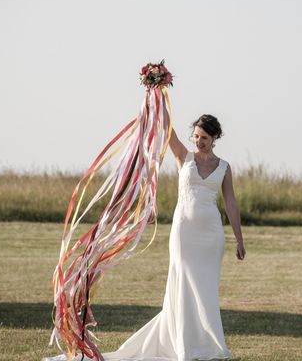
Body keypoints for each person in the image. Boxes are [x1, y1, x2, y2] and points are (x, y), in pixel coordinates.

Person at [100, 113, 246, 361]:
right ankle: (182, 344)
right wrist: (158, 89)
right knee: (182, 284)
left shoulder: (224, 167)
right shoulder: (183, 157)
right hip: (183, 234)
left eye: (204, 138)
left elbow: (230, 203)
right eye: (196, 136)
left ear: (214, 138)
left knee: (206, 288)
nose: (198, 141)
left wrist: (239, 239)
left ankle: (208, 343)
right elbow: (166, 128)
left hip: (211, 236)